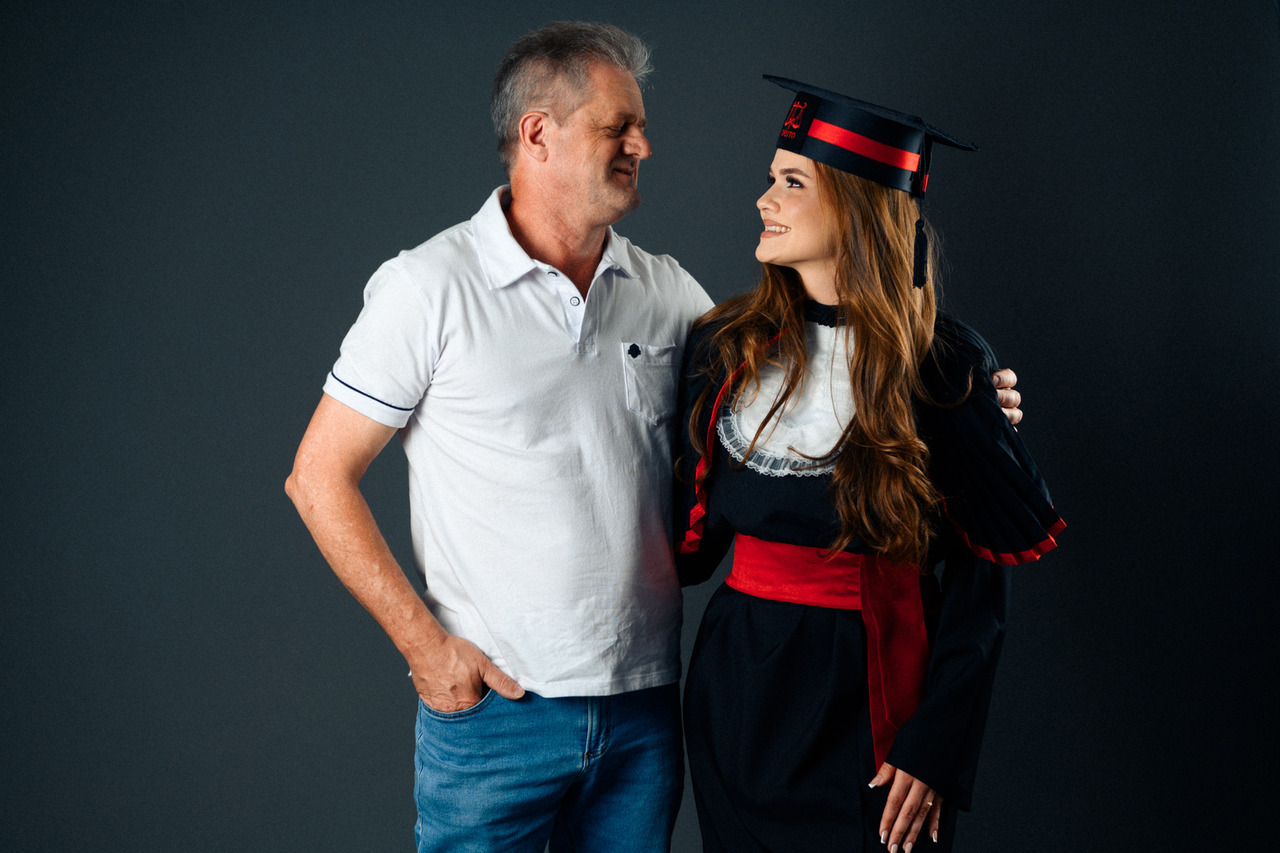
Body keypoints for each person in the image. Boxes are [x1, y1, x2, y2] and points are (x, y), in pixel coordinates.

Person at [286, 22, 1026, 852]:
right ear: (538, 132)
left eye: (640, 126)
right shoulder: (428, 287)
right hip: (505, 706)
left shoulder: (671, 296)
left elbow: (820, 387)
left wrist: (970, 403)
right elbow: (317, 478)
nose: (643, 145)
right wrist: (427, 650)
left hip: (647, 708)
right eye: (619, 127)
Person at [673, 77, 1064, 853]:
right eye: (772, 178)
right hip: (736, 687)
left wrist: (936, 746)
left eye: (792, 182)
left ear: (856, 207)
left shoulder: (944, 362)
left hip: (872, 691)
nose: (763, 199)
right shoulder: (726, 346)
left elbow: (981, 590)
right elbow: (689, 550)